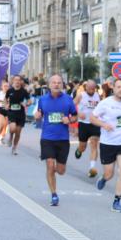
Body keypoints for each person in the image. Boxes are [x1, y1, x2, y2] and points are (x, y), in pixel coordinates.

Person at [91, 78, 121, 212]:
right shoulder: (105, 103)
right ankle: (104, 178)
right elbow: (92, 118)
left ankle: (116, 201)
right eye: (119, 87)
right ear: (113, 88)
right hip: (108, 143)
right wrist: (103, 124)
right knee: (109, 173)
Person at [33, 74, 79, 206]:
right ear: (49, 85)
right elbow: (39, 114)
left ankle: (54, 173)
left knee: (60, 170)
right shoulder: (42, 99)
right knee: (49, 165)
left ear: (62, 85)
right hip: (47, 137)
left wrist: (69, 119)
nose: (56, 84)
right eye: (54, 82)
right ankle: (54, 194)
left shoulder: (68, 99)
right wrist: (37, 116)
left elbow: (75, 116)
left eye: (59, 82)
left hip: (63, 139)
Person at [74, 79, 103, 178]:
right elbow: (72, 105)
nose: (91, 90)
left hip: (94, 123)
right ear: (86, 87)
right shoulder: (81, 95)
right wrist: (78, 113)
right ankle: (79, 150)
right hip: (83, 124)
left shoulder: (98, 96)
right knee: (83, 147)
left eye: (93, 88)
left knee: (94, 144)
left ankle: (92, 168)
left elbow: (101, 108)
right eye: (89, 88)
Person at [5, 75, 32, 155]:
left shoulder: (24, 91)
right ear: (13, 81)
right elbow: (5, 99)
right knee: (13, 128)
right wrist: (6, 105)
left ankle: (14, 147)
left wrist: (26, 104)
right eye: (15, 80)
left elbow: (30, 101)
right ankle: (10, 136)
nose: (17, 81)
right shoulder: (10, 90)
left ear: (21, 81)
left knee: (18, 133)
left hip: (21, 114)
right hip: (11, 112)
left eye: (19, 80)